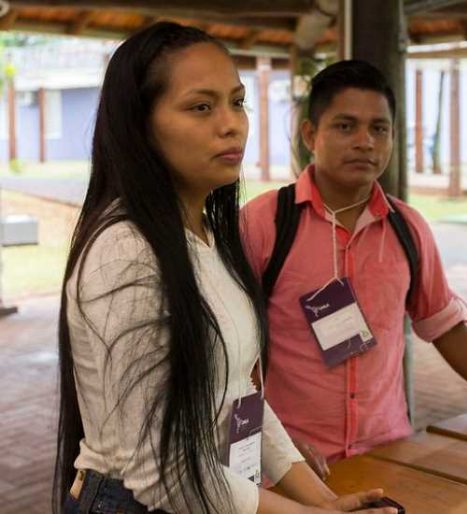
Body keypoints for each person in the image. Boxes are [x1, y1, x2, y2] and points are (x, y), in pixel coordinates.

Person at [53, 23, 396, 514]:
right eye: (201, 107)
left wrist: (327, 502)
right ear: (139, 125)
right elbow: (163, 472)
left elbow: (241, 396)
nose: (232, 124)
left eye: (237, 102)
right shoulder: (124, 252)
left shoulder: (209, 234)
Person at [240, 59, 467, 479]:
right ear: (311, 135)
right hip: (292, 469)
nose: (365, 142)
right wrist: (272, 445)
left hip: (389, 455)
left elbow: (446, 328)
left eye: (379, 128)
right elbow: (225, 353)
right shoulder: (264, 224)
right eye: (345, 126)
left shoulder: (408, 229)